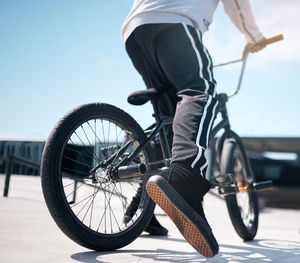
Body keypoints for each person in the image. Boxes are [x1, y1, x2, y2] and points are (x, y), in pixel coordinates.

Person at [121, 0, 266, 258]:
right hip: (173, 22)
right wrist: (254, 37)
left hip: (134, 31)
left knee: (169, 122)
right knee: (200, 92)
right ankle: (185, 180)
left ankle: (143, 208)